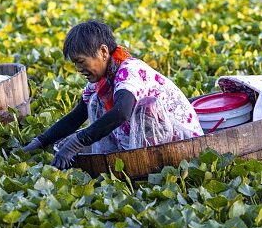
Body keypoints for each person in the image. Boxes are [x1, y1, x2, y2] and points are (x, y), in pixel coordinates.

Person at [20, 20, 203, 169]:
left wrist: (78, 142)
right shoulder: (100, 81)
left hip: (181, 143)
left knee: (148, 106)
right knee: (94, 102)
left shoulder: (129, 71)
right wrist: (40, 141)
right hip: (149, 139)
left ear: (103, 52)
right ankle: (117, 159)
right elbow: (76, 117)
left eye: (81, 61)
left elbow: (121, 113)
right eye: (75, 64)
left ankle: (144, 166)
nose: (78, 69)